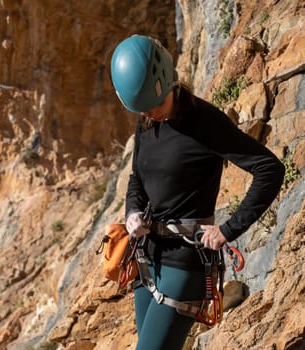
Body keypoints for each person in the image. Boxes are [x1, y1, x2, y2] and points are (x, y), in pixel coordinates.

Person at [110, 34, 285, 349]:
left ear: (168, 82)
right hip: (148, 256)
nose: (150, 114)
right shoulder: (147, 120)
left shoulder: (205, 123)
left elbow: (269, 169)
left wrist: (228, 230)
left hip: (186, 260)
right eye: (143, 110)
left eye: (155, 106)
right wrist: (133, 212)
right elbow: (138, 176)